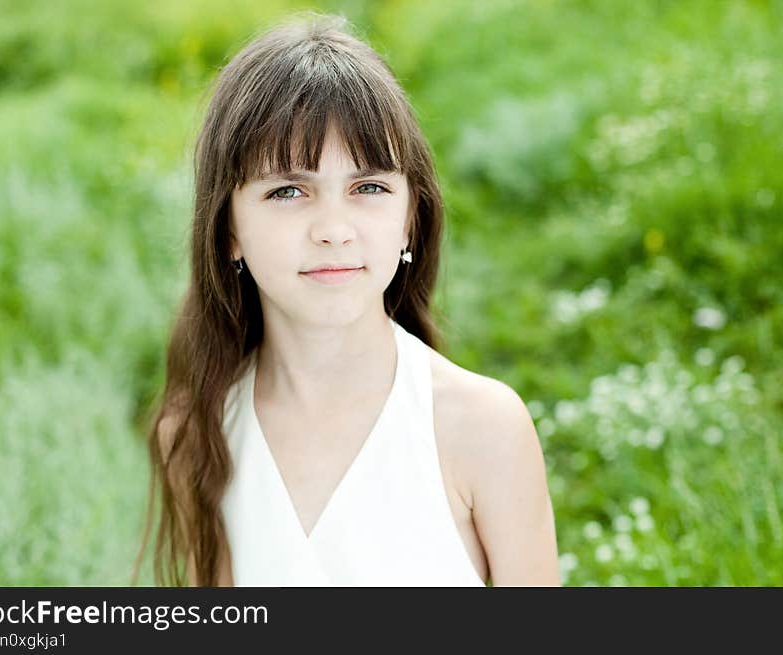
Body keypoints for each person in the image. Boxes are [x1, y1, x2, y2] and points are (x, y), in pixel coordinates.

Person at [133, 12, 559, 587]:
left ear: (411, 218)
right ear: (228, 227)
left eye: (368, 188)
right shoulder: (196, 435)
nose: (333, 229)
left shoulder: (482, 427)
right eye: (288, 190)